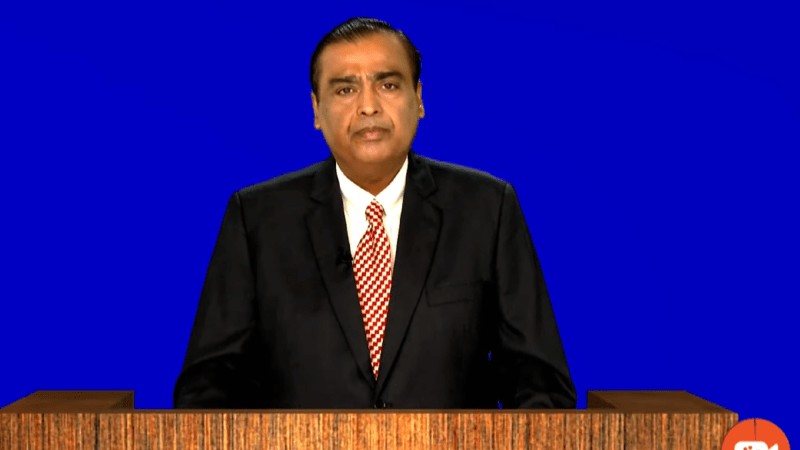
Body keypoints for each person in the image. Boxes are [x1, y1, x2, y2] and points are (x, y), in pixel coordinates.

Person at [173, 17, 577, 409]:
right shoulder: (257, 218)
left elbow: (540, 386)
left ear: (419, 98)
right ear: (316, 110)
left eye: (388, 84)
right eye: (345, 89)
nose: (368, 106)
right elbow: (207, 391)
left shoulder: (487, 208)